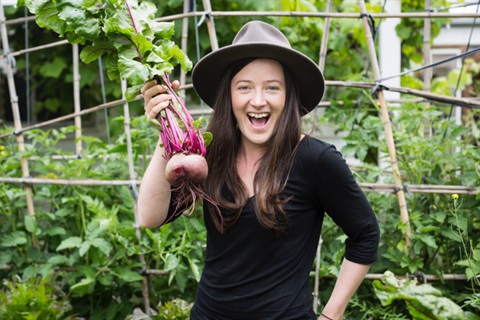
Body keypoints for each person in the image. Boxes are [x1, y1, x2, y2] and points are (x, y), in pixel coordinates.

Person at [138, 20, 380, 320]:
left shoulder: (315, 160)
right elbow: (150, 217)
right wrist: (166, 132)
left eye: (272, 88)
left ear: (288, 96)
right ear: (229, 96)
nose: (258, 100)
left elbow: (365, 233)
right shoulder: (209, 155)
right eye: (244, 87)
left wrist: (332, 315)